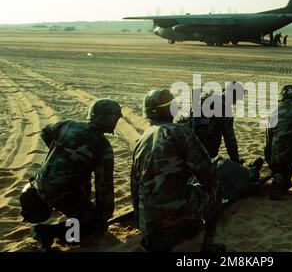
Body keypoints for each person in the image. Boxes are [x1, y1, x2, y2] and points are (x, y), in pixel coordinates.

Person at [130, 88, 225, 252]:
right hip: (176, 209)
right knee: (216, 184)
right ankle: (207, 243)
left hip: (149, 220)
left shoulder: (142, 139)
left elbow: (134, 184)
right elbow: (207, 174)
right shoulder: (182, 133)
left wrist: (141, 217)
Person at [22, 99, 123, 251]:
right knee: (94, 226)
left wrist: (61, 155)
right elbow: (104, 188)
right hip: (61, 191)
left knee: (81, 193)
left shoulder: (68, 124)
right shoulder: (103, 147)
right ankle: (47, 232)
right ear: (109, 119)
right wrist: (102, 218)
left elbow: (46, 132)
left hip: (39, 182)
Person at [182, 82, 244, 163]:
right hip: (205, 150)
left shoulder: (206, 98)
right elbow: (230, 140)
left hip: (187, 144)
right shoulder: (225, 109)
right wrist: (235, 160)